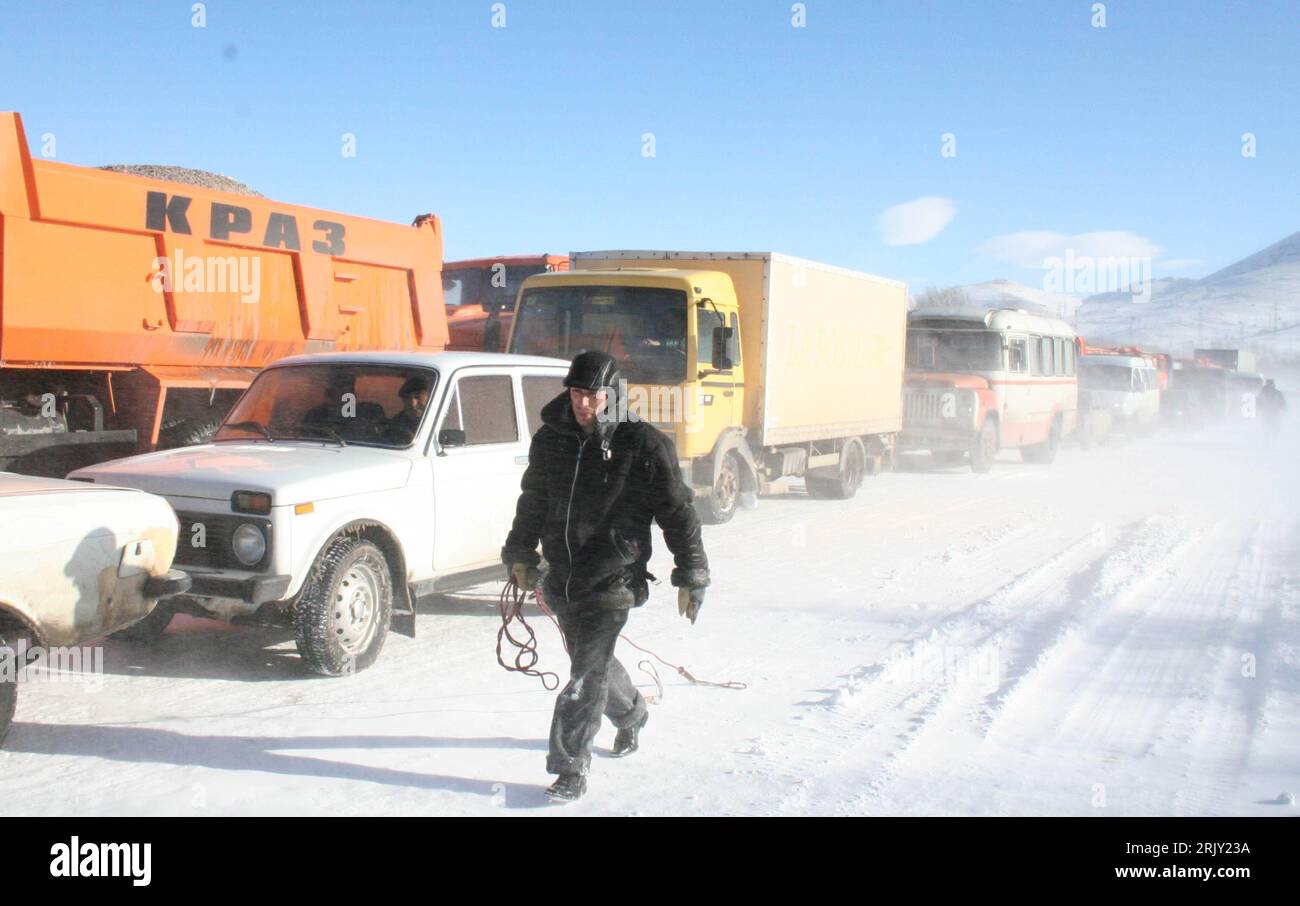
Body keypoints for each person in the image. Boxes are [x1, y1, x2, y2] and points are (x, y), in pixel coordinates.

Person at [501, 350, 710, 802]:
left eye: (593, 395)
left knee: (584, 674)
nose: (584, 404)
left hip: (614, 576)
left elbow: (677, 511)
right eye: (577, 393)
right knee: (591, 663)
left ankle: (569, 767)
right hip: (562, 577)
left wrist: (691, 571)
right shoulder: (551, 438)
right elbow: (533, 499)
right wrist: (520, 550)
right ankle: (632, 714)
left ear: (612, 394)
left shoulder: (643, 443)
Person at [386, 375, 431, 443]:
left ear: (429, 397)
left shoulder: (437, 418)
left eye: (417, 397)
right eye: (407, 398)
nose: (412, 403)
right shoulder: (397, 422)